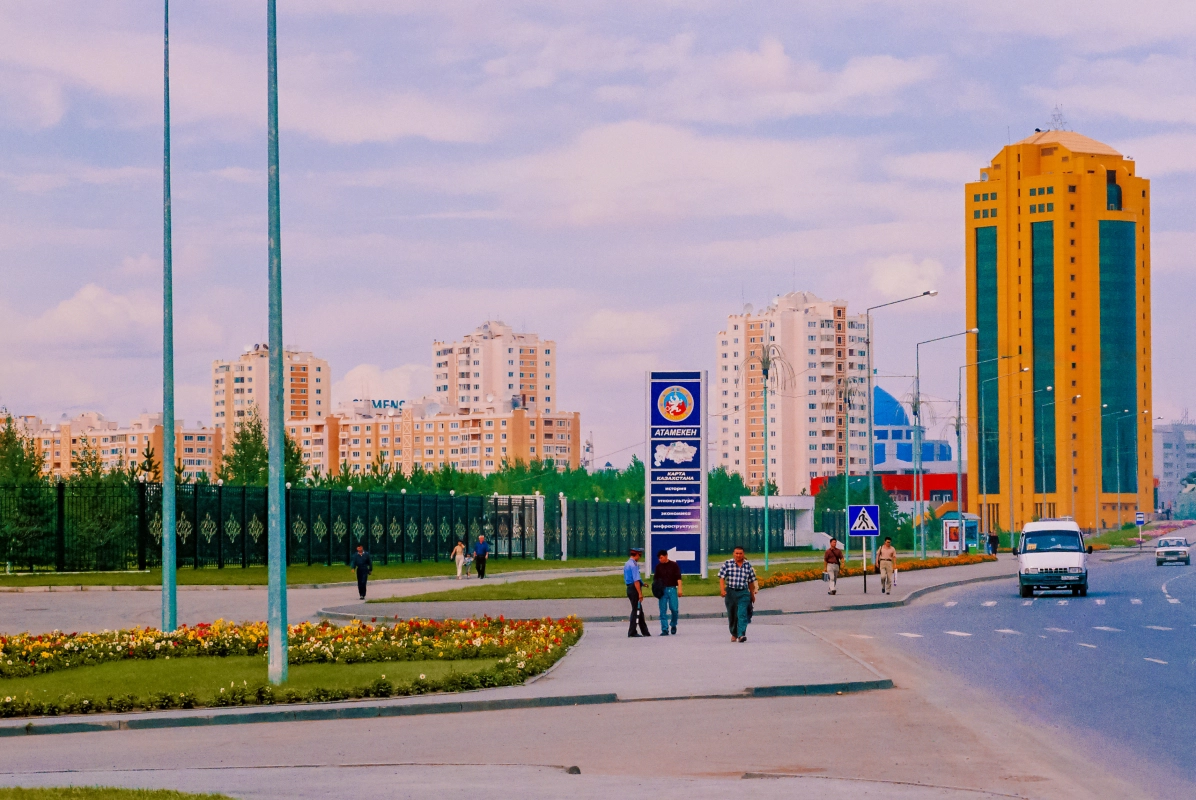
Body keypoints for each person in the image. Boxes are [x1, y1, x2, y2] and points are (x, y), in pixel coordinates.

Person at [718, 546, 758, 643]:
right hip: (731, 592)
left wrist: (752, 594)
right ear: (733, 553)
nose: (738, 555)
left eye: (740, 553)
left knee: (742, 614)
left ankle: (741, 634)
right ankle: (734, 633)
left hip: (743, 592)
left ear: (743, 554)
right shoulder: (728, 564)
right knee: (732, 614)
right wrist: (722, 590)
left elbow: (751, 581)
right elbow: (721, 578)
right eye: (737, 553)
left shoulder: (747, 565)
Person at [653, 549, 683, 636]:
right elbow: (655, 580)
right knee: (662, 610)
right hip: (662, 590)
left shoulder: (674, 565)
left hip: (672, 589)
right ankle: (664, 629)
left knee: (674, 609)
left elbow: (678, 578)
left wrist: (680, 589)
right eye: (659, 558)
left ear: (666, 556)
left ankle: (673, 624)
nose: (660, 559)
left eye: (661, 557)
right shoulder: (658, 567)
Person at [624, 547, 651, 637]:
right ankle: (632, 632)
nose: (640, 557)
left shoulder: (628, 563)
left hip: (629, 588)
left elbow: (635, 578)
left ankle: (645, 632)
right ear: (637, 555)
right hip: (634, 589)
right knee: (636, 611)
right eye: (640, 555)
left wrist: (642, 583)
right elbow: (635, 581)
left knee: (639, 611)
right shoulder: (634, 565)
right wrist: (640, 593)